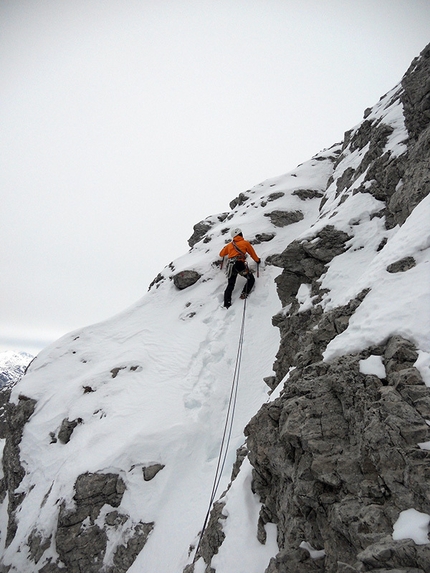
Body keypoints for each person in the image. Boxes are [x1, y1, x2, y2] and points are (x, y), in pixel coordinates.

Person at [219, 228, 261, 308]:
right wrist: (257, 260)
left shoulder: (230, 245)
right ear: (240, 234)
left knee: (230, 284)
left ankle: (226, 304)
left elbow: (221, 254)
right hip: (239, 264)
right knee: (250, 279)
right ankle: (244, 293)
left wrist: (225, 248)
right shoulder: (245, 243)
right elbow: (252, 253)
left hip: (231, 267)